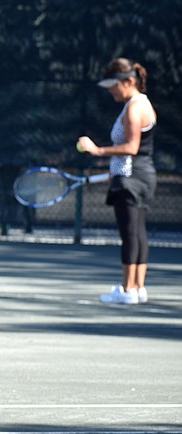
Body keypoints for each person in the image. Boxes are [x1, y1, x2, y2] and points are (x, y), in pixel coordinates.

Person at [78, 58, 157, 305]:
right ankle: (138, 288)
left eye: (115, 85)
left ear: (129, 82)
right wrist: (115, 170)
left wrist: (97, 151)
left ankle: (127, 290)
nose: (111, 90)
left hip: (132, 178)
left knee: (130, 233)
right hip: (141, 175)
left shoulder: (134, 108)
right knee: (138, 232)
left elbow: (131, 148)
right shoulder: (143, 104)